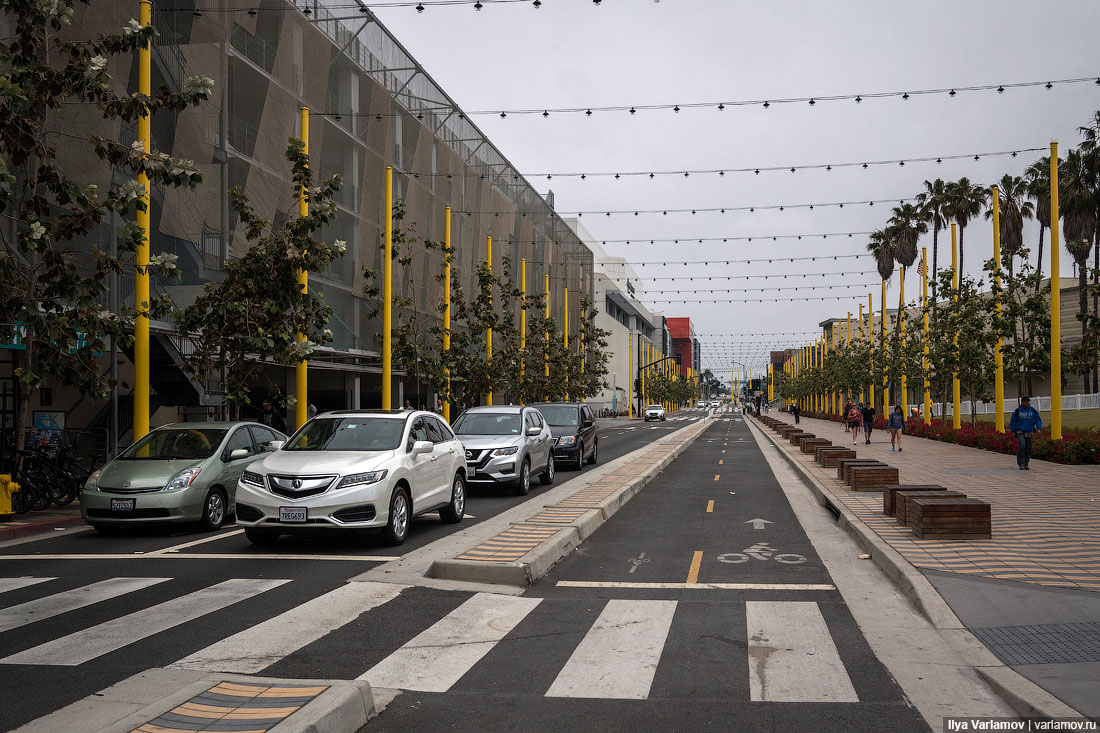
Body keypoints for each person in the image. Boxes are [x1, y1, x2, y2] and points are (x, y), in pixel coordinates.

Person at [1008, 396, 1043, 470]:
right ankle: (1021, 463)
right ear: (1022, 402)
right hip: (1020, 431)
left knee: (1028, 447)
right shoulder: (1017, 411)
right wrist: (1013, 430)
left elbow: (1037, 419)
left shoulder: (1032, 410)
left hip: (1029, 431)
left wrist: (1039, 428)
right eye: (1025, 402)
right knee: (1022, 445)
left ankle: (1026, 463)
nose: (1026, 403)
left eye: (1027, 402)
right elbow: (1013, 421)